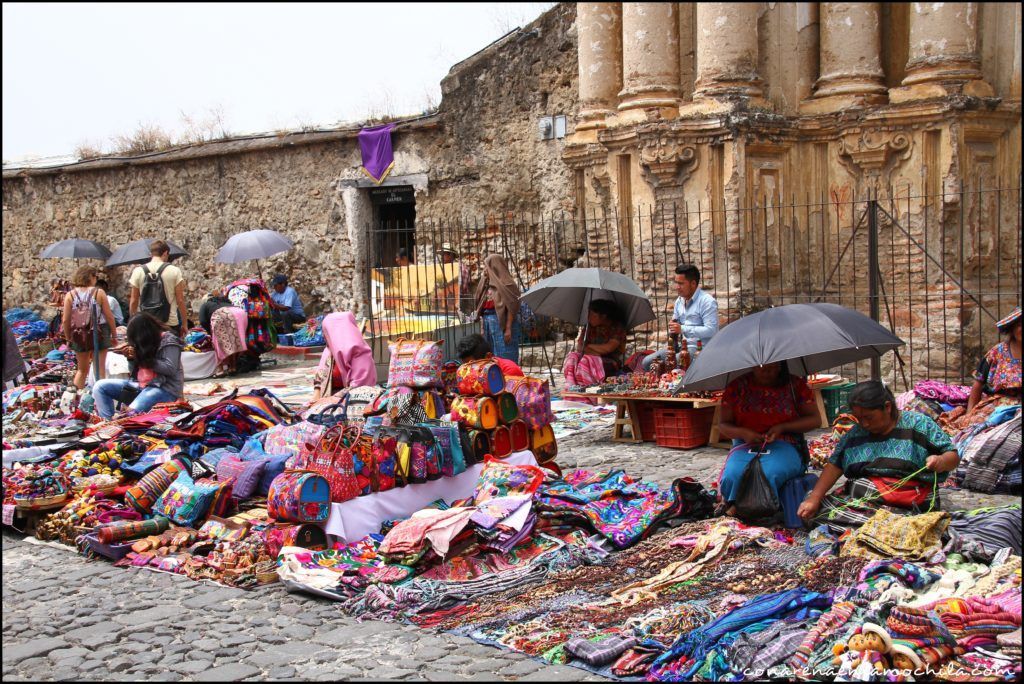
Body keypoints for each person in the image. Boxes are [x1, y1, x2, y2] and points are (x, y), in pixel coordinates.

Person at [798, 381, 958, 532]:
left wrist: (941, 461)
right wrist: (814, 498)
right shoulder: (855, 434)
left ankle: (895, 525)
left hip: (912, 499)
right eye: (859, 419)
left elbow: (952, 456)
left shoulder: (919, 424)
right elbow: (835, 465)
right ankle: (895, 527)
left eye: (869, 417)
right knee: (812, 509)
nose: (864, 424)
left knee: (856, 500)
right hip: (868, 504)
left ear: (887, 407)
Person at [716, 361, 821, 516]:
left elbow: (815, 420)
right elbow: (723, 425)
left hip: (786, 443)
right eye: (762, 368)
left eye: (772, 368)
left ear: (780, 366)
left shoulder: (795, 385)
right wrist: (744, 433)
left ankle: (760, 510)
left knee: (770, 473)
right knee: (732, 476)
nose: (767, 372)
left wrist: (782, 428)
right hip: (746, 444)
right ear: (752, 365)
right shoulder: (736, 387)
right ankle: (737, 506)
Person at [942, 307, 1022, 433]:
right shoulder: (997, 352)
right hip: (999, 405)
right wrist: (969, 413)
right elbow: (978, 384)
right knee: (974, 428)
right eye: (1019, 325)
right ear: (1012, 328)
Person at [93, 313, 185, 419]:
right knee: (100, 387)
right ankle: (107, 422)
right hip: (141, 386)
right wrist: (131, 358)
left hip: (164, 389)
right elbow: (135, 373)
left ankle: (120, 423)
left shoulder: (168, 340)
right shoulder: (145, 344)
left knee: (129, 415)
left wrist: (142, 357)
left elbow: (170, 368)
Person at [642, 264, 719, 371]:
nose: (677, 287)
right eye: (676, 283)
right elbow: (676, 325)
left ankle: (672, 386)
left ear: (693, 283)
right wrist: (673, 327)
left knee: (674, 362)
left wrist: (682, 329)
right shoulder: (679, 301)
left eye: (681, 283)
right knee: (647, 362)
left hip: (699, 349)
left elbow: (712, 330)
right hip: (681, 347)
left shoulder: (707, 301)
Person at [62, 265, 118, 391]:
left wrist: (68, 338)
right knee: (100, 369)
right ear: (91, 277)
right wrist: (114, 335)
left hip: (78, 332)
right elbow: (109, 316)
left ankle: (74, 400)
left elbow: (65, 320)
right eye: (95, 276)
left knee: (82, 370)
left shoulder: (70, 295)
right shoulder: (99, 292)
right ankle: (99, 400)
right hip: (99, 331)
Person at [311, 312, 377, 401]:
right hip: (329, 400)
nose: (324, 336)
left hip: (354, 401)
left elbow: (359, 388)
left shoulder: (361, 354)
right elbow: (319, 381)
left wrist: (330, 400)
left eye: (327, 331)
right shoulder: (329, 351)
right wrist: (315, 399)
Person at [562, 299, 627, 388]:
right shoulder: (589, 327)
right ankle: (572, 387)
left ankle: (589, 391)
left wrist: (588, 346)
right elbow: (580, 346)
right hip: (589, 356)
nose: (588, 317)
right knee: (572, 357)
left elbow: (608, 348)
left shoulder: (617, 328)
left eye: (592, 314)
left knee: (585, 362)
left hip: (609, 361)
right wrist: (594, 352)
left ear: (603, 316)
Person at [128, 240, 187, 337]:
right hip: (169, 322)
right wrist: (184, 324)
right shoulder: (174, 271)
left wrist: (132, 322)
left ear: (151, 253)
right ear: (165, 253)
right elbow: (180, 300)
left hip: (146, 323)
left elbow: (133, 301)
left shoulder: (138, 271)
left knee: (150, 352)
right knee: (170, 350)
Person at [474, 254, 523, 365]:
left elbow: (512, 307)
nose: (485, 270)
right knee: (490, 354)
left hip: (502, 322)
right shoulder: (487, 285)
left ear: (495, 266)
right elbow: (481, 307)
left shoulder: (508, 284)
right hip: (487, 322)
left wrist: (508, 328)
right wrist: (482, 326)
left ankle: (508, 377)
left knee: (504, 353)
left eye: (487, 266)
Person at [456, 333, 524, 378]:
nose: (469, 370)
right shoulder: (471, 375)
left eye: (472, 366)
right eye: (466, 366)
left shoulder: (509, 372)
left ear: (488, 356)